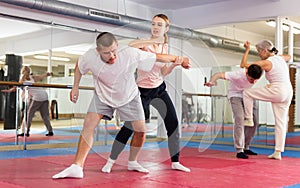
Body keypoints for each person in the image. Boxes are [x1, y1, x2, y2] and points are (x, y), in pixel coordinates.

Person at [52, 32, 191, 179]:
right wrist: (75, 87)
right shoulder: (89, 57)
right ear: (98, 51)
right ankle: (76, 166)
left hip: (129, 97)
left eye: (113, 50)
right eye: (106, 53)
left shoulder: (129, 53)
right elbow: (79, 67)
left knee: (140, 131)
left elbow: (158, 57)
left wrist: (179, 59)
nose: (112, 55)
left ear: (117, 46)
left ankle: (132, 162)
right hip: (103, 96)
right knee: (89, 125)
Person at [101, 14, 190, 173]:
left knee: (173, 124)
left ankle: (175, 162)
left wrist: (174, 66)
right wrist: (152, 41)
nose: (155, 27)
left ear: (166, 29)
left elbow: (162, 72)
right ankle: (110, 161)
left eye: (159, 25)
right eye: (154, 24)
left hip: (159, 89)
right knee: (129, 127)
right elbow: (131, 45)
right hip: (141, 91)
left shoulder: (164, 48)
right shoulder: (143, 44)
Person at [240, 40, 293, 160]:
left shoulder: (266, 63)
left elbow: (244, 65)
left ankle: (248, 119)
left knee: (247, 93)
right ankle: (278, 152)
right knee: (281, 123)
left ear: (264, 50)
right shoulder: (280, 58)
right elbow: (289, 56)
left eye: (259, 51)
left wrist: (247, 49)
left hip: (278, 90)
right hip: (288, 91)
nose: (259, 54)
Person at [204, 64, 263, 159]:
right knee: (239, 119)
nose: (253, 82)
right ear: (247, 73)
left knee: (254, 121)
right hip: (235, 95)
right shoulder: (237, 74)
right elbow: (218, 74)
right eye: (251, 79)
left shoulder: (257, 72)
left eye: (255, 80)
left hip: (248, 95)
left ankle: (246, 146)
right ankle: (239, 149)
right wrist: (211, 81)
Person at [2, 66, 54, 137]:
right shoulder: (28, 79)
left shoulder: (27, 79)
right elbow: (14, 88)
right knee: (44, 116)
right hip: (44, 96)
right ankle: (50, 131)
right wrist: (48, 74)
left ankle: (25, 132)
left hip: (39, 97)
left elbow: (41, 76)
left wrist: (48, 74)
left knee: (28, 115)